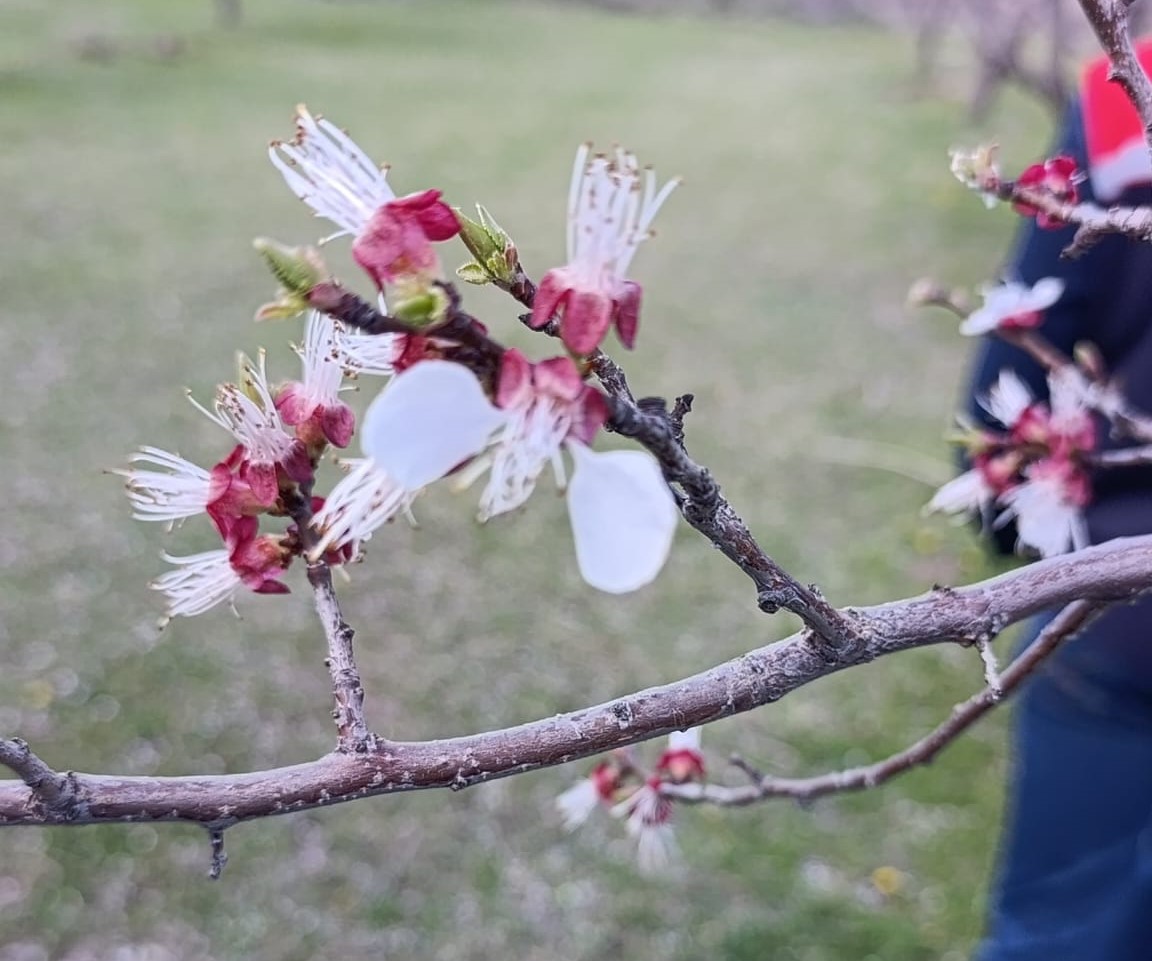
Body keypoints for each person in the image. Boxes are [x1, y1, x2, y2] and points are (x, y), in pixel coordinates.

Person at [968, 42, 1152, 961]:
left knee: (1065, 921)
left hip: (1109, 598)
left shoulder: (1127, 91)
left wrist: (1006, 508)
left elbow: (1021, 338)